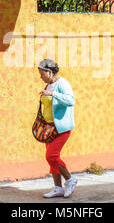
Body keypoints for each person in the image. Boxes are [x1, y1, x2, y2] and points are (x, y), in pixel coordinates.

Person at [38, 59, 78, 198]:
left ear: (49, 72)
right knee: (52, 159)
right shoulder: (48, 85)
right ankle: (58, 188)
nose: (40, 76)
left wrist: (53, 94)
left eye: (42, 73)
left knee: (52, 156)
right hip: (49, 129)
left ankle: (70, 180)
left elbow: (70, 100)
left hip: (61, 128)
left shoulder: (62, 84)